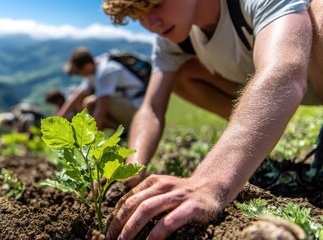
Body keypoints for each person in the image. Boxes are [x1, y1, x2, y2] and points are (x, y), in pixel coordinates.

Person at [101, 0, 323, 239]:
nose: (151, 23)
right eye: (139, 16)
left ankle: (247, 145)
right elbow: (152, 108)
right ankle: (260, 132)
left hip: (302, 69)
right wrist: (131, 169)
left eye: (156, 5)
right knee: (182, 73)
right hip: (267, 90)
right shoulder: (172, 38)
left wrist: (210, 181)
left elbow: (285, 72)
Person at [57, 47, 147, 130]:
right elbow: (76, 97)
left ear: (87, 66)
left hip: (138, 106)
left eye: (78, 72)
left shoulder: (105, 71)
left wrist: (90, 138)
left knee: (90, 103)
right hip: (128, 103)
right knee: (85, 101)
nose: (80, 75)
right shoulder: (95, 69)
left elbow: (101, 108)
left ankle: (123, 133)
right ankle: (120, 131)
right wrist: (58, 119)